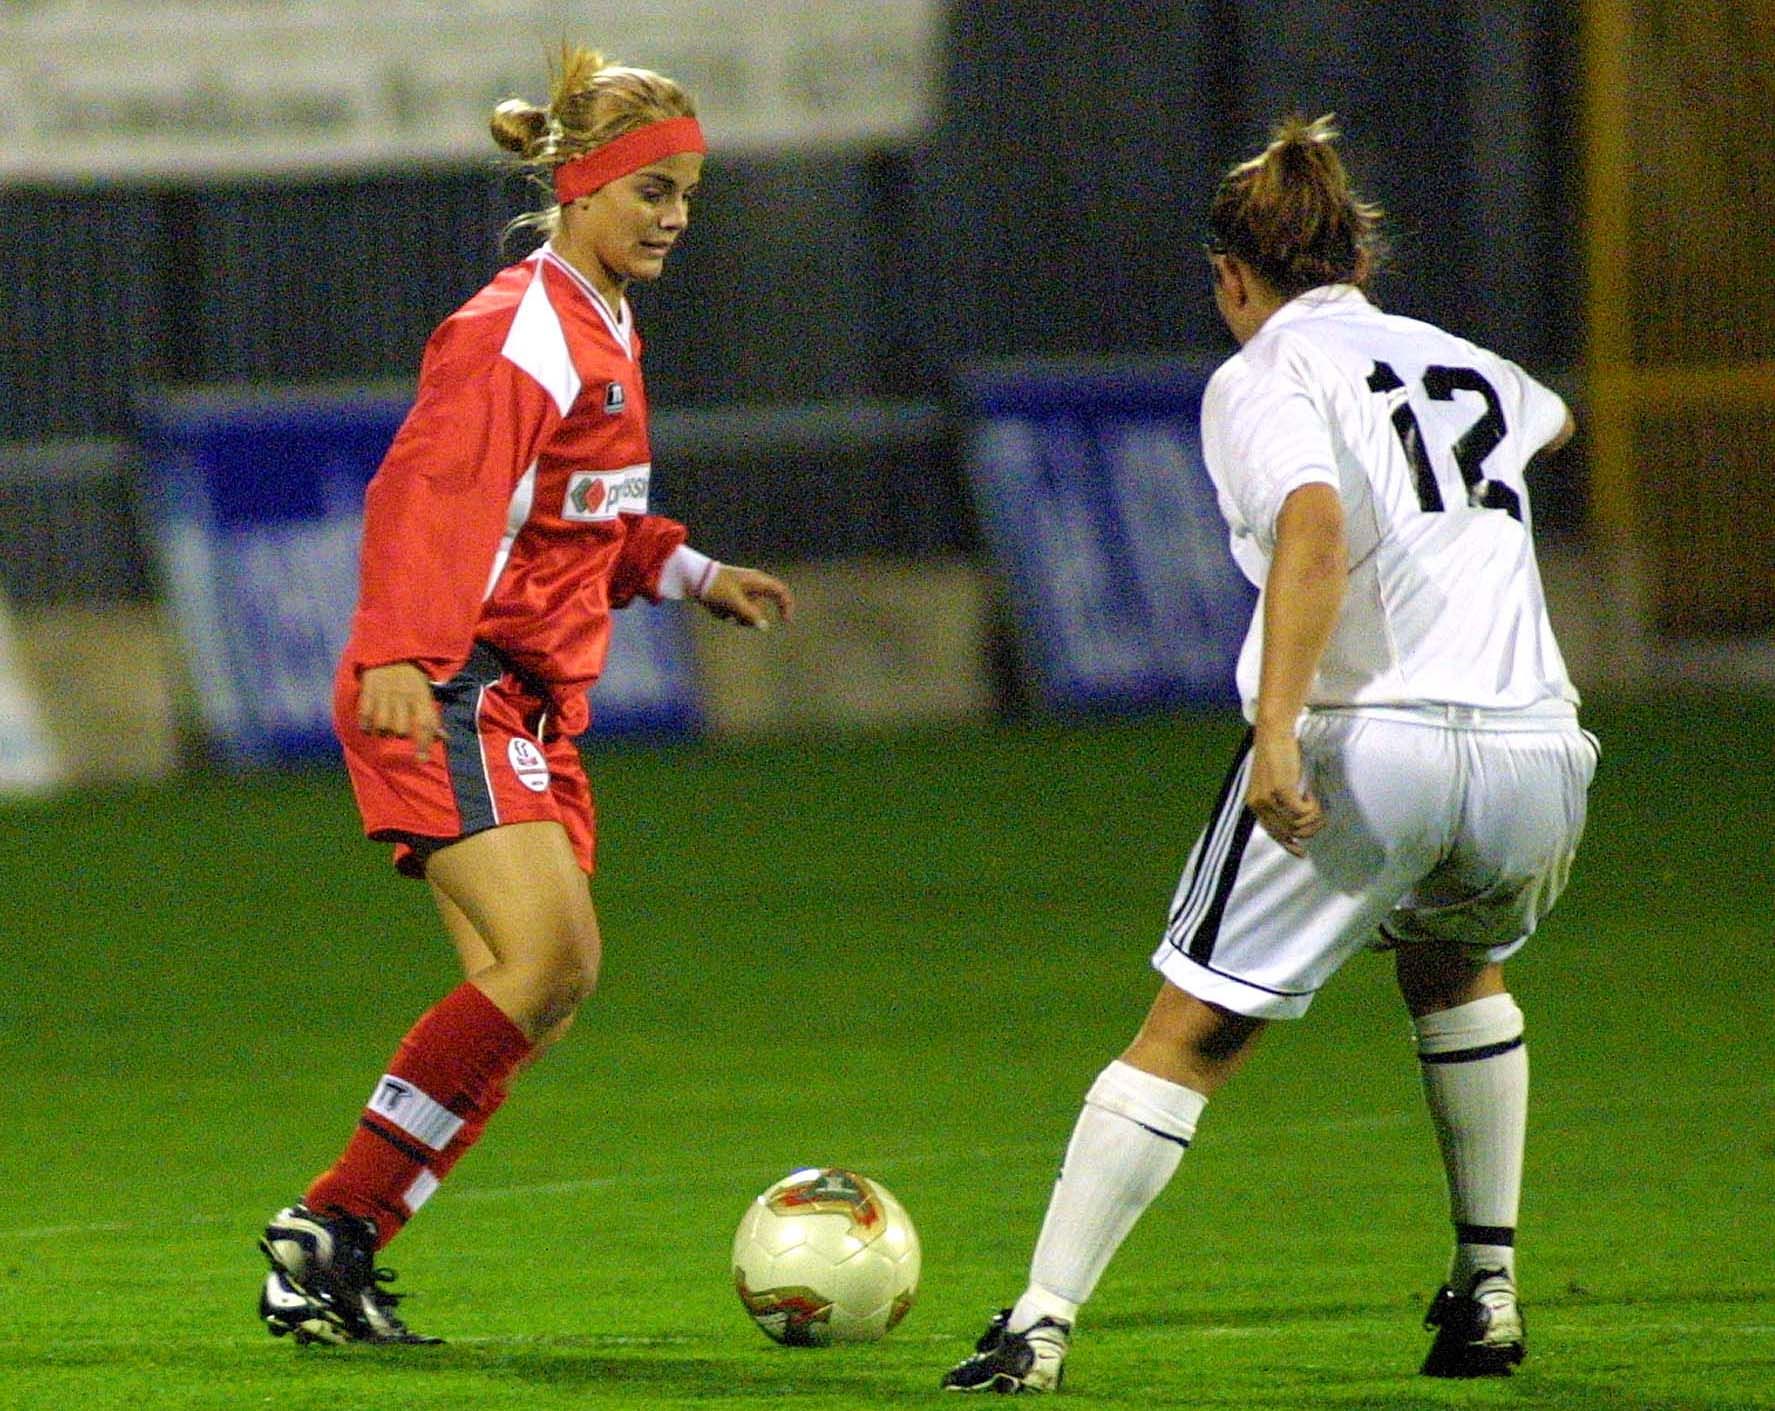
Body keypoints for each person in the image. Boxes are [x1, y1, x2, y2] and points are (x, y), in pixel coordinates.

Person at [941, 115, 1596, 1392]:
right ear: (1357, 259)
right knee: (1454, 969)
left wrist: (1277, 734)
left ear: (1230, 277)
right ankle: (1487, 1292)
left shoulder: (1261, 374)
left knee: (1190, 1026)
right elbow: (1550, 420)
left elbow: (1310, 523)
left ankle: (1036, 1323)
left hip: (1377, 740)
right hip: (1534, 750)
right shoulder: (1462, 363)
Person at [256, 45, 794, 1346]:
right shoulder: (521, 330)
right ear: (580, 186)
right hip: (452, 683)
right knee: (553, 961)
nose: (673, 216)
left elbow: (571, 520)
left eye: (687, 194)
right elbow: (426, 491)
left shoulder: (601, 322)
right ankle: (328, 1223)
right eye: (651, 190)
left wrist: (688, 569)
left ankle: (332, 1249)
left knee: (529, 995)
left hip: (513, 696)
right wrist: (399, 649)